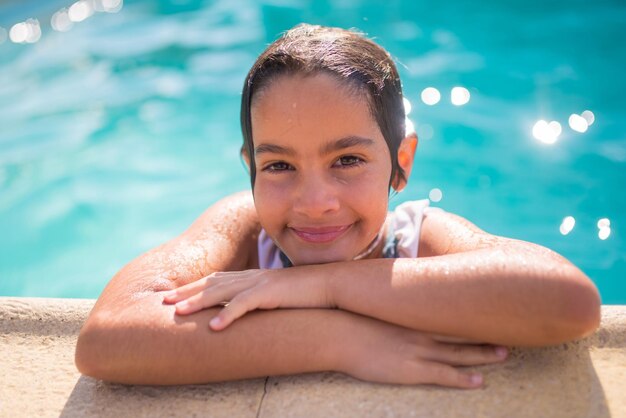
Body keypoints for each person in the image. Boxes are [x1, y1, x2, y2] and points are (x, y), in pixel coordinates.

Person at [75, 24, 601, 389]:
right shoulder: (243, 228)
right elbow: (107, 339)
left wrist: (319, 286)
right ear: (250, 168)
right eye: (279, 166)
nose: (316, 202)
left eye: (347, 159)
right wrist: (341, 342)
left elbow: (569, 304)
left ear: (401, 162)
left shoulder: (420, 240)